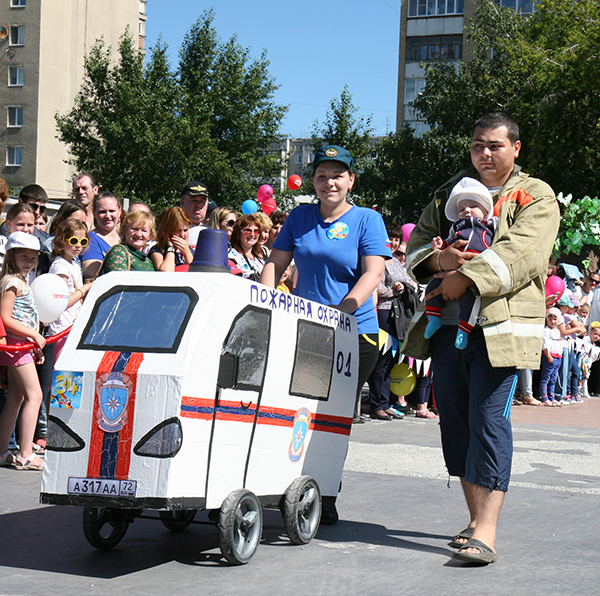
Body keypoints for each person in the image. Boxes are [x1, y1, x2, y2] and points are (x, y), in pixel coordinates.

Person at [403, 113, 560, 565]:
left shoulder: (535, 194)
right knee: (453, 422)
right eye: (477, 145)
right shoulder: (448, 191)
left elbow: (525, 253)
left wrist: (463, 277)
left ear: (515, 148)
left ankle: (486, 531)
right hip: (446, 328)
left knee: (489, 422)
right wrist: (438, 261)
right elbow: (417, 245)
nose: (485, 154)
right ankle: (474, 519)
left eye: (494, 145)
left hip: (499, 330)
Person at [261, 145, 391, 524]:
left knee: (329, 416)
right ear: (314, 180)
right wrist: (268, 301)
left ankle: (325, 492)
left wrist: (345, 310)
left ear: (351, 180)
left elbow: (373, 273)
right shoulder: (300, 217)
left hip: (354, 332)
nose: (329, 182)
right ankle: (288, 483)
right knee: (294, 409)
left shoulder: (367, 220)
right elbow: (275, 262)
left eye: (338, 175)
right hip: (304, 329)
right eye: (322, 175)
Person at [424, 177, 495, 350]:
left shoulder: (490, 226)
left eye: (473, 206)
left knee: (471, 301)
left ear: (486, 210)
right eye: (461, 209)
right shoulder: (455, 229)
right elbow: (448, 244)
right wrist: (441, 247)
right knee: (431, 289)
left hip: (474, 274)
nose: (467, 211)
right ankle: (434, 317)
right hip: (449, 270)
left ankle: (464, 329)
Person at [0, 232, 46, 471]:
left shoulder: (20, 282)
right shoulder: (12, 282)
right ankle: (26, 453)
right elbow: (5, 318)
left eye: (33, 257)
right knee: (34, 395)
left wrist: (33, 341)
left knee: (16, 397)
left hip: (21, 346)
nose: (29, 261)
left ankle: (2, 451)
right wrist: (35, 335)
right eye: (23, 256)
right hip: (16, 347)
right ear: (11, 256)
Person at [48, 220, 92, 363]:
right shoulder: (61, 266)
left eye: (83, 241)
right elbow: (61, 301)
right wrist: (83, 289)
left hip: (71, 326)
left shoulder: (72, 264)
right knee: (61, 370)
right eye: (73, 240)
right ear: (61, 241)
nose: (78, 245)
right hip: (62, 328)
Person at [80, 192, 123, 281]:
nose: (108, 216)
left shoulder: (126, 238)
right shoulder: (90, 240)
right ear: (94, 213)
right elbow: (92, 274)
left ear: (119, 211)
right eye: (102, 212)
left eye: (112, 211)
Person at [149, 207, 193, 271]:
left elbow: (197, 272)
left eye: (185, 230)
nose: (182, 235)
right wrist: (170, 248)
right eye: (178, 231)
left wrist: (187, 253)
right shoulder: (157, 250)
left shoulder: (191, 251)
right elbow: (166, 271)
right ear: (167, 231)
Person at [540, 308, 565, 406]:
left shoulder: (557, 331)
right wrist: (548, 355)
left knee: (553, 378)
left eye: (555, 319)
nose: (553, 322)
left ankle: (551, 396)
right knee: (546, 377)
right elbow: (545, 344)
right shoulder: (546, 331)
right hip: (550, 357)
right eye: (550, 319)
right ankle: (544, 397)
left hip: (557, 357)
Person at [228, 215, 265, 281]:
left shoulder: (260, 258)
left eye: (256, 231)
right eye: (248, 230)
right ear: (238, 233)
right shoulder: (231, 254)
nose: (252, 234)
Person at [180, 181, 209, 253]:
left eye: (202, 201)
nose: (198, 205)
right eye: (193, 200)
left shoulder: (211, 233)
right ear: (182, 202)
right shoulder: (172, 230)